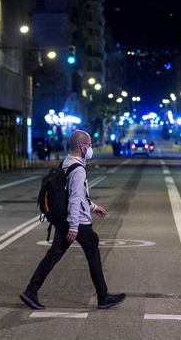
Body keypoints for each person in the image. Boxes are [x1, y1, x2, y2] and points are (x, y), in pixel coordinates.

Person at [20, 130, 125, 310]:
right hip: (77, 222)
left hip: (65, 220)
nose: (91, 148)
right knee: (92, 249)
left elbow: (73, 195)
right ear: (82, 146)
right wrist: (74, 227)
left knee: (54, 255)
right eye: (90, 145)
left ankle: (31, 291)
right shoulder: (78, 170)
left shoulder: (67, 162)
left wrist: (93, 207)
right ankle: (103, 296)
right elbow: (75, 198)